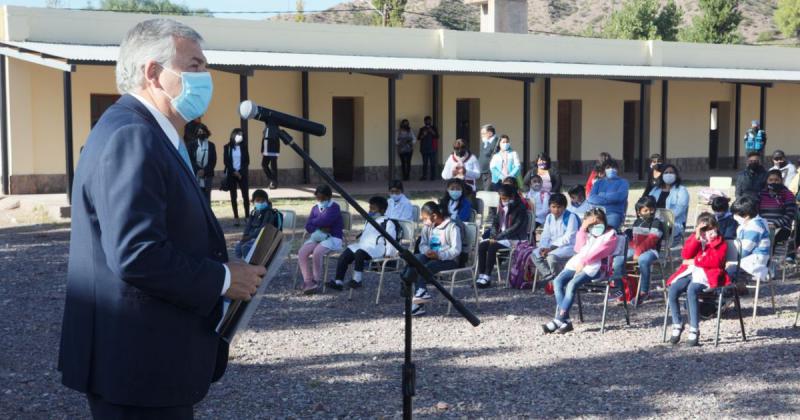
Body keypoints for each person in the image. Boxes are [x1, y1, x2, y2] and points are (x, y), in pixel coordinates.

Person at [59, 19, 266, 418]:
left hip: (145, 363)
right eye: (194, 65)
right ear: (153, 73)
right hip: (139, 368)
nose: (205, 77)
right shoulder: (132, 136)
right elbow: (136, 253)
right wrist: (224, 278)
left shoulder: (151, 134)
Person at [542, 208, 619, 334]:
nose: (595, 227)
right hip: (577, 263)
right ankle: (565, 320)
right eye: (591, 224)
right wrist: (583, 228)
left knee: (572, 284)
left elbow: (600, 252)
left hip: (596, 267)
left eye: (598, 223)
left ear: (604, 221)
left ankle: (559, 319)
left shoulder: (610, 235)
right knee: (557, 282)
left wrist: (584, 262)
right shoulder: (587, 232)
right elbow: (578, 248)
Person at [667, 213, 730, 347]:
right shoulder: (696, 238)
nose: (707, 232)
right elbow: (685, 255)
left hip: (709, 274)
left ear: (716, 228)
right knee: (673, 289)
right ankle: (677, 323)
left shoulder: (720, 242)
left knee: (692, 290)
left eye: (710, 228)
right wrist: (696, 237)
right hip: (691, 271)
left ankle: (694, 328)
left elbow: (715, 261)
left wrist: (695, 260)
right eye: (704, 229)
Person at [405, 201, 462, 316]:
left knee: (427, 267)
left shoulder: (452, 227)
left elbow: (456, 250)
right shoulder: (428, 227)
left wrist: (439, 255)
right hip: (431, 257)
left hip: (449, 260)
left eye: (425, 218)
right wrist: (427, 251)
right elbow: (422, 244)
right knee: (417, 260)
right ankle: (410, 285)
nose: (424, 221)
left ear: (434, 216)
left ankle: (419, 297)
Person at [328, 196, 396, 291]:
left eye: (373, 208)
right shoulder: (369, 220)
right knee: (346, 253)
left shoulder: (388, 223)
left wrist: (389, 253)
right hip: (363, 246)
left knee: (360, 253)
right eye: (370, 208)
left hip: (377, 248)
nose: (370, 210)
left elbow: (391, 239)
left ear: (383, 210)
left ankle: (357, 280)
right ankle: (338, 281)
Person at [610, 196, 665, 304]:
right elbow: (634, 240)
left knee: (643, 260)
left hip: (651, 250)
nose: (649, 212)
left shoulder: (656, 223)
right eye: (646, 210)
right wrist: (632, 248)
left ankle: (644, 291)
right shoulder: (637, 222)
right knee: (618, 259)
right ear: (639, 212)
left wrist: (638, 251)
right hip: (636, 249)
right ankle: (619, 288)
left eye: (651, 209)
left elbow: (652, 239)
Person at [476, 184, 529, 288]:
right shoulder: (502, 206)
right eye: (501, 198)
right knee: (482, 246)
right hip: (501, 237)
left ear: (512, 196)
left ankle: (487, 276)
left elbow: (516, 228)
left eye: (505, 198)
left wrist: (498, 237)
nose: (502, 200)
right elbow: (495, 223)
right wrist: (492, 235)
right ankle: (481, 275)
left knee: (492, 247)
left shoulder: (520, 208)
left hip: (515, 239)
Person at [298, 185, 344, 294]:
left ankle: (316, 280)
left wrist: (315, 221)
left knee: (317, 252)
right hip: (317, 236)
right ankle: (308, 281)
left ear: (329, 197)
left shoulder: (334, 207)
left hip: (333, 237)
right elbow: (308, 226)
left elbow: (326, 221)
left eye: (323, 198)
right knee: (302, 252)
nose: (320, 201)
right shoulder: (315, 208)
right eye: (318, 198)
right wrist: (318, 224)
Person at [530, 193, 580, 283]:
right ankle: (550, 277)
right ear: (549, 206)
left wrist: (550, 248)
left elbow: (568, 238)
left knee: (551, 258)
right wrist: (543, 247)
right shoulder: (549, 217)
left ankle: (559, 281)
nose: (556, 210)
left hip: (568, 247)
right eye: (553, 207)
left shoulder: (571, 217)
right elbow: (546, 235)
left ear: (564, 207)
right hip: (551, 248)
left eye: (559, 207)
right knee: (534, 254)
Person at [758, 169, 798, 260]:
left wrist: (775, 224)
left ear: (781, 180)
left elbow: (790, 214)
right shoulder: (761, 194)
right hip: (764, 226)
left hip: (781, 227)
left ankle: (770, 263)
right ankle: (761, 262)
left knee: (768, 239)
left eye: (776, 180)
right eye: (771, 180)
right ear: (767, 181)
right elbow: (757, 212)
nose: (773, 182)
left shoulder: (788, 194)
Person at [730, 196, 770, 281]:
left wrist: (728, 259)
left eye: (736, 214)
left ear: (746, 215)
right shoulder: (752, 223)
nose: (734, 217)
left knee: (726, 270)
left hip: (755, 261)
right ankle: (736, 288)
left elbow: (744, 251)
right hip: (749, 258)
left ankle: (726, 291)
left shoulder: (754, 227)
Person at [234, 189, 283, 259]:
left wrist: (249, 237)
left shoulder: (269, 213)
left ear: (267, 201)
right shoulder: (254, 212)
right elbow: (248, 226)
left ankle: (251, 267)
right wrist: (245, 235)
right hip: (252, 239)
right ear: (253, 201)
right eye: (258, 200)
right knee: (238, 247)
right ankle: (241, 266)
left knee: (246, 248)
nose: (260, 202)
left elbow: (263, 229)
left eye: (263, 200)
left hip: (263, 239)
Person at [648, 164, 689, 242]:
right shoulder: (655, 190)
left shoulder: (682, 190)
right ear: (662, 175)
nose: (669, 174)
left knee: (654, 227)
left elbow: (679, 210)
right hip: (653, 221)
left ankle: (649, 246)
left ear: (676, 175)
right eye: (666, 172)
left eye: (671, 172)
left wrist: (661, 217)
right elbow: (648, 204)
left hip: (673, 223)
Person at [588, 159, 629, 230]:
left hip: (614, 213)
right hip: (597, 213)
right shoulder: (598, 183)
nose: (611, 169)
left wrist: (601, 195)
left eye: (613, 168)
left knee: (607, 231)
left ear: (617, 169)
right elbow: (591, 198)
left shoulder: (623, 182)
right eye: (608, 168)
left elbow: (619, 197)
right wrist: (610, 199)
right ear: (604, 170)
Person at [223, 128, 250, 226]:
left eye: (241, 135)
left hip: (242, 174)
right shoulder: (227, 147)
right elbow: (226, 161)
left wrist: (240, 172)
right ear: (233, 135)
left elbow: (247, 161)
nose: (240, 136)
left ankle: (247, 216)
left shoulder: (244, 147)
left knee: (245, 196)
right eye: (238, 134)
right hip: (232, 174)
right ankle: (236, 217)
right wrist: (234, 171)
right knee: (233, 196)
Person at [187, 123, 217, 203]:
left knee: (207, 196)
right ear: (196, 133)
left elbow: (213, 161)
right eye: (199, 132)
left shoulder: (211, 145)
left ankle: (208, 214)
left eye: (202, 131)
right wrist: (198, 170)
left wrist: (204, 171)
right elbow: (190, 159)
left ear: (206, 132)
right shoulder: (191, 145)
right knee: (197, 196)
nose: (201, 134)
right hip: (196, 174)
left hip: (208, 175)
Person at [478, 124, 500, 191]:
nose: (482, 135)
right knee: (486, 190)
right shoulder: (485, 142)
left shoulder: (497, 142)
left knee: (489, 192)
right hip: (484, 172)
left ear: (490, 133)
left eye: (483, 133)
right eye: (481, 133)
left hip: (491, 172)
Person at [418, 116, 439, 181]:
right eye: (426, 121)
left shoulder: (434, 128)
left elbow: (437, 136)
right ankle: (424, 176)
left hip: (432, 149)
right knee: (425, 164)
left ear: (431, 121)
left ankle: (433, 177)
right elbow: (418, 138)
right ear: (424, 121)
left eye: (429, 120)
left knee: (433, 163)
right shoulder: (422, 129)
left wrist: (431, 131)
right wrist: (423, 134)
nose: (428, 122)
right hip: (424, 149)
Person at [261, 124, 280, 189]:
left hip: (273, 149)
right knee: (264, 164)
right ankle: (272, 179)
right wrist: (262, 149)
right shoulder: (266, 127)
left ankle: (274, 183)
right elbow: (263, 139)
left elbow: (277, 140)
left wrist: (277, 152)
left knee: (273, 167)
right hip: (266, 149)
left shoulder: (275, 127)